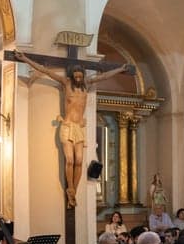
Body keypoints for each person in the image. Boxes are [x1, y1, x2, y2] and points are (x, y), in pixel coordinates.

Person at [14, 49, 130, 207]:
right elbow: (45, 70)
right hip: (67, 126)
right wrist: (25, 59)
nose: (78, 78)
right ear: (72, 76)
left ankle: (73, 191)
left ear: (82, 76)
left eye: (80, 76)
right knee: (69, 160)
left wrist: (120, 69)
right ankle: (70, 189)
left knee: (80, 161)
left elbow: (103, 76)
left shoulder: (86, 84)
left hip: (79, 128)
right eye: (75, 76)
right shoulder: (65, 83)